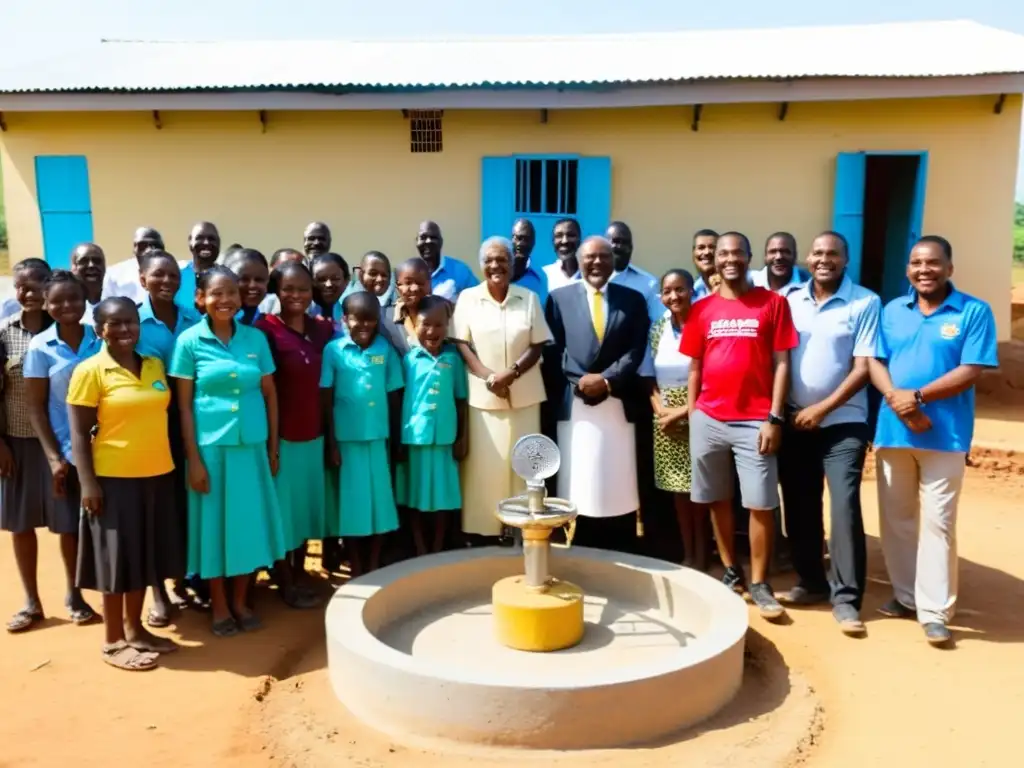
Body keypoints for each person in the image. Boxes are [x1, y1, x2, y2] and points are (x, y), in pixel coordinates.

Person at [868, 236, 998, 647]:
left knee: (938, 524)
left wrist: (919, 397)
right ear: (908, 269)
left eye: (933, 263)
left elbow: (973, 367)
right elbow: (875, 360)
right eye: (916, 263)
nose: (924, 270)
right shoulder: (892, 310)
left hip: (946, 435)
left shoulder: (973, 311)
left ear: (949, 268)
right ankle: (906, 597)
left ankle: (935, 610)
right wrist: (898, 401)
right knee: (897, 521)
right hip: (894, 431)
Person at [680, 232, 797, 620]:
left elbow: (782, 363)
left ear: (750, 258)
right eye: (722, 254)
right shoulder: (701, 310)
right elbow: (695, 364)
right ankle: (732, 571)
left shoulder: (773, 303)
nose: (730, 259)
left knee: (761, 502)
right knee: (718, 498)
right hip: (709, 418)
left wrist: (774, 417)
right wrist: (695, 412)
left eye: (737, 253)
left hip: (755, 420)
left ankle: (760, 583)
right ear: (713, 260)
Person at [170, 266, 287, 637]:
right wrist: (194, 460)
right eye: (216, 294)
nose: (225, 300)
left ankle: (241, 601)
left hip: (251, 449)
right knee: (215, 530)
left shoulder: (255, 339)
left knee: (248, 528)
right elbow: (184, 407)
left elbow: (269, 394)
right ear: (200, 298)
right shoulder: (189, 342)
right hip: (211, 452)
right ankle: (219, 606)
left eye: (232, 293)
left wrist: (272, 448)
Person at [68, 297, 185, 669]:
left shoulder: (152, 364)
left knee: (142, 557)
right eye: (114, 324)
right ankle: (113, 640)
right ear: (99, 329)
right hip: (113, 480)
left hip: (157, 475)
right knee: (116, 562)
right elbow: (79, 432)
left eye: (130, 322)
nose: (124, 330)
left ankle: (136, 631)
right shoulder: (90, 371)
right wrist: (88, 484)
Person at [779, 232, 881, 635]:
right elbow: (780, 360)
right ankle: (811, 582)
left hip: (844, 423)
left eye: (833, 254)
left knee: (843, 506)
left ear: (846, 259)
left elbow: (863, 367)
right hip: (796, 421)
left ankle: (846, 598)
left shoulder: (864, 302)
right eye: (818, 253)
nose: (824, 260)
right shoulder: (789, 301)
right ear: (808, 258)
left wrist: (822, 409)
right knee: (800, 505)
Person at [545, 236, 649, 551]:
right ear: (579, 260)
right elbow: (554, 349)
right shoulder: (558, 298)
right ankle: (577, 540)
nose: (597, 263)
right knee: (580, 477)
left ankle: (617, 542)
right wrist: (582, 381)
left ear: (613, 260)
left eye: (604, 256)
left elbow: (636, 349)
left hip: (617, 401)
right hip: (574, 402)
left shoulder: (632, 299)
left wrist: (606, 381)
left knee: (614, 478)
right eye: (590, 257)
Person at [0, 261, 88, 634]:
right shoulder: (4, 335)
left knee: (66, 524)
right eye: (21, 287)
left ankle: (74, 595)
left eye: (36, 285)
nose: (28, 293)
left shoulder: (65, 327)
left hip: (64, 444)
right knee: (21, 525)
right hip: (17, 442)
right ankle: (31, 601)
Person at [453, 237, 551, 542]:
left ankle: (522, 531)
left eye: (502, 259)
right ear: (481, 265)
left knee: (524, 466)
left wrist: (511, 373)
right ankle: (484, 532)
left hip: (525, 396)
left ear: (511, 264)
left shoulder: (529, 298)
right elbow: (461, 344)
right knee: (485, 468)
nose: (496, 265)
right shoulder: (468, 298)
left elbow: (538, 344)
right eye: (489, 260)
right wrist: (490, 378)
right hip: (484, 398)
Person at [22, 270, 103, 628]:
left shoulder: (99, 338)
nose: (66, 305)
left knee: (107, 521)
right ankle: (74, 592)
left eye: (73, 298)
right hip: (66, 449)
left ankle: (115, 588)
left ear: (85, 300)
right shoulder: (39, 347)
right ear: (46, 303)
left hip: (107, 445)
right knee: (70, 526)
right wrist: (54, 457)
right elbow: (35, 407)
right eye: (57, 300)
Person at [255, 262, 333, 607]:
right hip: (282, 439)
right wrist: (271, 446)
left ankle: (300, 573)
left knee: (303, 513)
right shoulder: (266, 331)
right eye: (288, 289)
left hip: (313, 436)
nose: (296, 296)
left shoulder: (323, 330)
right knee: (282, 517)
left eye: (303, 289)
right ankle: (284, 580)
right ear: (276, 290)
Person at [136, 250, 204, 620]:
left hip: (189, 428)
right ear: (142, 278)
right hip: (148, 429)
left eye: (172, 276)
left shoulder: (193, 320)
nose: (165, 282)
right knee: (154, 509)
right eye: (157, 275)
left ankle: (180, 581)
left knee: (182, 507)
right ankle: (156, 589)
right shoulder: (132, 320)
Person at [320, 291, 404, 576]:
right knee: (353, 507)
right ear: (344, 319)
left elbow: (394, 397)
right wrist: (331, 443)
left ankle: (373, 563)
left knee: (380, 504)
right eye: (358, 319)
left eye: (371, 319)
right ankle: (356, 565)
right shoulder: (333, 351)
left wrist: (396, 440)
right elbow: (326, 399)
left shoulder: (384, 350)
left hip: (378, 440)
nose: (365, 325)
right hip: (347, 442)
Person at [396, 295, 468, 554]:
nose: (432, 331)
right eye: (425, 324)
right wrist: (399, 441)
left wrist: (462, 438)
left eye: (439, 325)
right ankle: (419, 548)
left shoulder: (454, 360)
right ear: (415, 326)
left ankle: (438, 547)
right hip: (415, 439)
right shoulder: (409, 360)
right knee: (416, 496)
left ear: (448, 326)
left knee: (443, 498)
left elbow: (461, 401)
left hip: (445, 441)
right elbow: (400, 399)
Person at [648, 268, 707, 570]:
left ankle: (702, 554)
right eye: (668, 291)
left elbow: (714, 379)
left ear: (692, 292)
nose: (674, 296)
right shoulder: (657, 329)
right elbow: (649, 377)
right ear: (660, 297)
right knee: (678, 494)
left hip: (700, 415)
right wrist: (660, 410)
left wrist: (684, 412)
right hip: (665, 423)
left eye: (680, 289)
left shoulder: (704, 327)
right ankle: (688, 554)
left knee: (700, 492)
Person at [605, 221, 664, 321]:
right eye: (615, 241)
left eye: (625, 243)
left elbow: (657, 322)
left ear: (631, 248)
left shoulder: (648, 283)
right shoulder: (590, 279)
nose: (620, 246)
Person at [415, 220, 479, 302]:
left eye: (433, 237)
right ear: (417, 241)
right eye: (423, 237)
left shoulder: (460, 271)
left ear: (441, 242)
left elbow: (477, 301)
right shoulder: (410, 273)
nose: (428, 241)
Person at [101, 227, 166, 304]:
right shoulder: (114, 275)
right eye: (142, 246)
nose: (148, 250)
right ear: (134, 250)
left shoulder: (176, 272)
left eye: (155, 246)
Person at [175, 222, 222, 309]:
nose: (206, 243)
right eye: (199, 238)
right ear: (190, 241)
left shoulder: (227, 279)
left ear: (219, 243)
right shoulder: (176, 276)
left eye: (211, 239)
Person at [225, 248, 271, 325]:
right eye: (244, 279)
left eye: (259, 279)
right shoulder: (213, 324)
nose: (252, 285)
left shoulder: (268, 328)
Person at [510, 218, 548, 305]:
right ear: (512, 239)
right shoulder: (502, 270)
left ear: (533, 243)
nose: (521, 244)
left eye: (526, 239)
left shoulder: (541, 277)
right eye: (518, 238)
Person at [309, 252, 350, 330]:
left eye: (335, 279)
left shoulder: (353, 313)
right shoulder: (301, 314)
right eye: (321, 279)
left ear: (346, 280)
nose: (328, 284)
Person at [258, 248, 305, 316]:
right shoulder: (255, 295)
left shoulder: (309, 302)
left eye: (298, 268)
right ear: (270, 268)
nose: (292, 272)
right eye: (285, 266)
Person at [542, 218, 582, 293]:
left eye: (570, 235)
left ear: (579, 240)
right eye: (559, 236)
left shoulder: (590, 275)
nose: (564, 241)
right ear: (553, 242)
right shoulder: (545, 276)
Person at [69, 243, 106, 325]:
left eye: (97, 261)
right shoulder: (67, 307)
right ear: (73, 268)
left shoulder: (118, 299)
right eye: (83, 261)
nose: (91, 265)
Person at [690, 229, 719, 303]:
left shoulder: (738, 284)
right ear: (693, 253)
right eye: (701, 247)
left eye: (712, 247)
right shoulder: (694, 291)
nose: (706, 252)